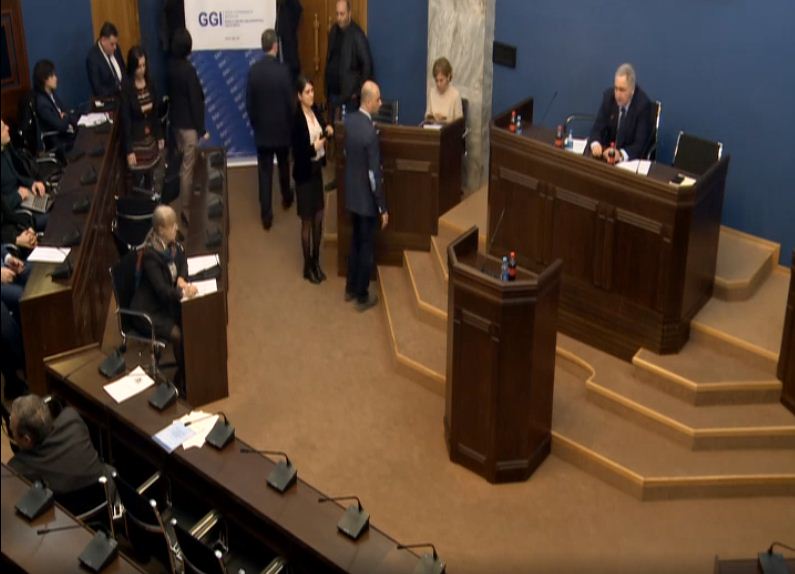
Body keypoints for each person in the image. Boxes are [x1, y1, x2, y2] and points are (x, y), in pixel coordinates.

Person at [130, 205, 197, 386]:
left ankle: (191, 370)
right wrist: (183, 291)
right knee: (178, 334)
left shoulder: (172, 245)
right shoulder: (151, 255)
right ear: (161, 230)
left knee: (189, 320)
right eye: (172, 226)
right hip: (148, 311)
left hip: (164, 303)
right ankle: (184, 380)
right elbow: (161, 290)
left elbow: (182, 259)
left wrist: (181, 278)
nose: (176, 228)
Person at [8, 394, 111, 494]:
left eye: (12, 431)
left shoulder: (18, 468)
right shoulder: (72, 419)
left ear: (26, 440)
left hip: (67, 505)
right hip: (106, 494)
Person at [344, 80, 387, 311]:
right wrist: (382, 207)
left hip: (351, 195)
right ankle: (362, 295)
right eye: (378, 99)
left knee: (354, 242)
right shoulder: (370, 133)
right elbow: (373, 175)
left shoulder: (349, 121)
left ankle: (350, 288)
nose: (381, 102)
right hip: (366, 200)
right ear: (369, 102)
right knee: (366, 247)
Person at [246, 29, 295, 230]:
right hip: (282, 131)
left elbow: (249, 104)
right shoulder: (284, 71)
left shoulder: (253, 71)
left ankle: (266, 215)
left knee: (264, 173)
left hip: (263, 132)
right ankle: (286, 197)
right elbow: (291, 104)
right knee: (284, 166)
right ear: (275, 46)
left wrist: (256, 125)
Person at [292, 76, 333, 283]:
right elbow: (298, 152)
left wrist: (328, 130)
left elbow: (322, 128)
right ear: (299, 96)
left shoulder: (315, 110)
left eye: (312, 91)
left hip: (317, 172)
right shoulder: (296, 119)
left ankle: (316, 262)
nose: (311, 95)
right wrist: (313, 148)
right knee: (307, 221)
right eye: (307, 92)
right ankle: (307, 266)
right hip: (304, 174)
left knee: (319, 217)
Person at [168, 28, 207, 225]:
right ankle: (185, 210)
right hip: (189, 126)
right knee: (187, 169)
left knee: (183, 164)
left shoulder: (170, 67)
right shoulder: (188, 70)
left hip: (176, 123)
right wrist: (202, 129)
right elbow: (195, 100)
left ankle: (183, 202)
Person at [589, 63, 653, 164]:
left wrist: (621, 154)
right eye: (616, 88)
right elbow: (597, 128)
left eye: (622, 90)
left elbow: (640, 145)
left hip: (628, 163)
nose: (618, 94)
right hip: (606, 157)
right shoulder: (609, 97)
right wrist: (595, 144)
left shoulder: (643, 106)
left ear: (632, 90)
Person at [325, 0, 373, 124]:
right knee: (331, 130)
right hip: (333, 94)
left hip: (349, 98)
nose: (339, 18)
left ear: (349, 13)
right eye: (337, 14)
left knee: (348, 131)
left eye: (342, 14)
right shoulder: (333, 31)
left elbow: (367, 66)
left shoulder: (357, 35)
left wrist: (357, 92)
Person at [120, 46, 165, 169]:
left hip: (151, 139)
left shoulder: (150, 83)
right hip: (136, 143)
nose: (142, 70)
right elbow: (126, 119)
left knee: (153, 173)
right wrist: (129, 150)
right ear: (132, 67)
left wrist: (160, 135)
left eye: (144, 65)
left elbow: (155, 113)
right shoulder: (127, 87)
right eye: (139, 67)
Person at [1, 119, 47, 234]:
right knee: (55, 215)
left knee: (55, 202)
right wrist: (18, 196)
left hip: (25, 197)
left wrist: (32, 183)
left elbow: (16, 176)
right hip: (15, 214)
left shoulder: (5, 149)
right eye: (2, 129)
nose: (7, 128)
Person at [32, 59, 78, 154]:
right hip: (58, 141)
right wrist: (66, 117)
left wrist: (65, 116)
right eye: (52, 76)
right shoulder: (42, 104)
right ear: (44, 79)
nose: (56, 78)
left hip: (66, 134)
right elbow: (61, 126)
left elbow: (65, 110)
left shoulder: (51, 94)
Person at [86, 21, 125, 99]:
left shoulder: (116, 49)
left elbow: (123, 70)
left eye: (115, 44)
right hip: (108, 101)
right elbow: (98, 89)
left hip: (124, 98)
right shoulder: (93, 58)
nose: (115, 47)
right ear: (103, 41)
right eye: (112, 44)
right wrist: (118, 88)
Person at [424, 57, 463, 125]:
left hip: (449, 130)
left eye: (441, 80)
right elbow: (427, 116)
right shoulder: (432, 92)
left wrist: (444, 120)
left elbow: (459, 123)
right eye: (436, 80)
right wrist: (433, 118)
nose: (438, 84)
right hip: (433, 130)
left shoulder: (455, 95)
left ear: (448, 77)